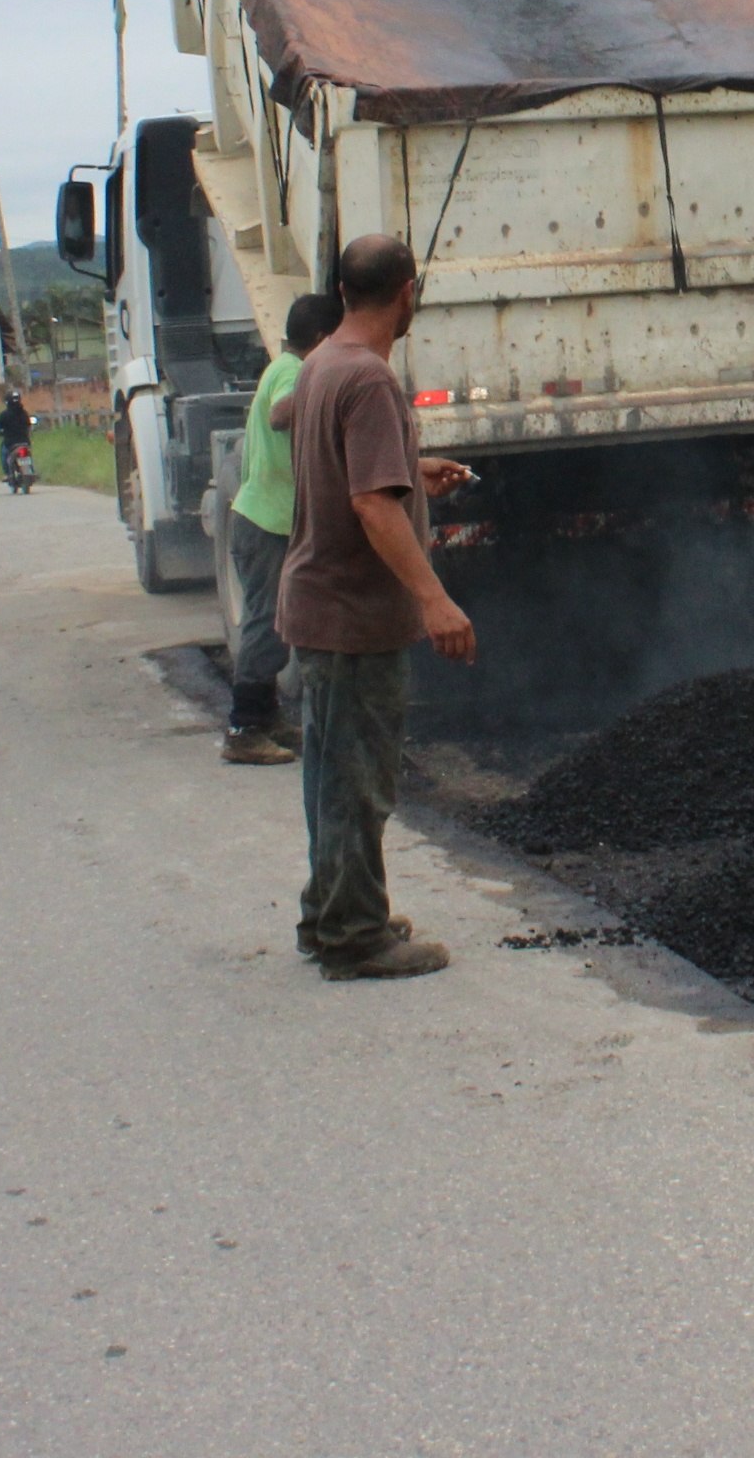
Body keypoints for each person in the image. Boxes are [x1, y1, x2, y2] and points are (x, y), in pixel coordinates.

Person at [277, 233, 476, 981]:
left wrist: (410, 472)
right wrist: (436, 599)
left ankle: (329, 913)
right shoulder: (370, 382)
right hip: (352, 615)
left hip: (318, 608)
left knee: (331, 774)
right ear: (406, 292)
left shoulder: (324, 363)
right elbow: (368, 504)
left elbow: (345, 467)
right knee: (359, 781)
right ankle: (357, 937)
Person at [216, 290, 342, 766]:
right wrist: (326, 385)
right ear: (324, 338)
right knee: (267, 626)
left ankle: (264, 720)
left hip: (268, 520)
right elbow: (281, 413)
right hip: (266, 522)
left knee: (274, 622)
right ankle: (243, 730)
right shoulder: (294, 371)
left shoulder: (283, 366)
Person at [0, 390, 33, 484]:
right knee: (29, 455)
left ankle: (7, 473)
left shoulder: (4, 415)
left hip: (10, 443)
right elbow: (29, 427)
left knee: (3, 453)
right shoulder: (24, 413)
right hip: (25, 442)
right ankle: (31, 470)